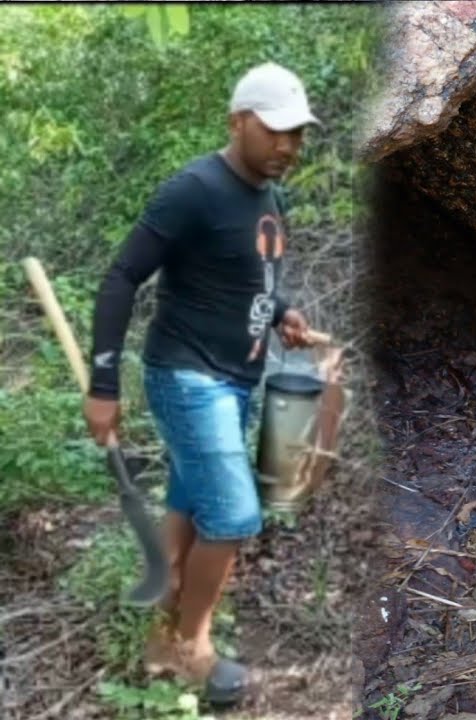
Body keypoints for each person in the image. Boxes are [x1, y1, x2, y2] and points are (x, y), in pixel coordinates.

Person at [83, 61, 322, 704]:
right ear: (238, 121)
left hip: (238, 379)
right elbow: (120, 278)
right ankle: (192, 645)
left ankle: (164, 623)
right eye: (275, 131)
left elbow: (251, 278)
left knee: (191, 500)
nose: (287, 146)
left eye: (297, 134)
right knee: (236, 513)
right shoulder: (193, 189)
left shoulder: (270, 195)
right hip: (187, 376)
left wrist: (284, 312)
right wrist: (103, 384)